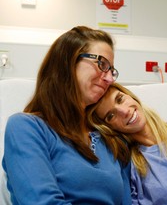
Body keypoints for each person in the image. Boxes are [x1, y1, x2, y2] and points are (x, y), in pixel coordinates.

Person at [2, 26, 131, 205]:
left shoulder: (111, 140)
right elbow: (41, 202)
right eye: (102, 64)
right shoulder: (27, 128)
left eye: (111, 71)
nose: (109, 78)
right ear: (68, 62)